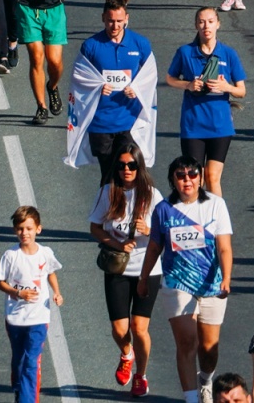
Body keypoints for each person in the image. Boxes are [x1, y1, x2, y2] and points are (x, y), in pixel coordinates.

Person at [137, 157, 236, 403]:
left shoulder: (216, 205)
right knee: (186, 342)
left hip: (211, 285)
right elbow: (154, 247)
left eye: (192, 174)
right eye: (181, 175)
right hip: (177, 283)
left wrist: (226, 278)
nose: (187, 180)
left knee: (209, 348)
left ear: (200, 177)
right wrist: (143, 277)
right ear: (173, 180)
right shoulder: (163, 209)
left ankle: (205, 379)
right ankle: (192, 399)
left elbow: (224, 247)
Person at [89, 145, 159, 396]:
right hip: (118, 267)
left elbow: (166, 233)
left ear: (140, 166)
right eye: (121, 165)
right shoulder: (108, 192)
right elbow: (95, 228)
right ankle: (126, 354)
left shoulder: (152, 195)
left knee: (140, 327)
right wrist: (118, 244)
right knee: (120, 329)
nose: (126, 170)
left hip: (147, 269)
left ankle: (141, 375)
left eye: (131, 165)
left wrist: (149, 230)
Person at [69, 0, 158, 176]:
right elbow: (78, 77)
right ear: (103, 18)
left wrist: (137, 88)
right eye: (110, 21)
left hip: (129, 122)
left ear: (127, 18)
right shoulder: (91, 46)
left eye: (119, 21)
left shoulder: (140, 44)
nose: (115, 26)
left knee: (129, 175)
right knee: (109, 175)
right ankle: (108, 204)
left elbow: (150, 74)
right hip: (100, 123)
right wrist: (97, 87)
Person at [167, 7, 247, 196]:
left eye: (210, 21)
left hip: (220, 125)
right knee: (195, 178)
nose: (206, 26)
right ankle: (196, 221)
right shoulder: (185, 52)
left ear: (218, 24)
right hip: (193, 125)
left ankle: (218, 222)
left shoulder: (228, 54)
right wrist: (188, 85)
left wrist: (225, 87)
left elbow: (241, 91)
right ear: (196, 25)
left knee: (212, 176)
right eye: (202, 22)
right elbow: (170, 79)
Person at [0, 206, 64, 403]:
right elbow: (0, 283)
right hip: (15, 318)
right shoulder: (10, 255)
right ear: (14, 231)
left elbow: (51, 273)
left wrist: (57, 293)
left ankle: (27, 399)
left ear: (38, 229)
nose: (24, 233)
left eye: (28, 228)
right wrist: (18, 293)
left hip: (39, 317)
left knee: (31, 361)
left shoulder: (45, 253)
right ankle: (19, 387)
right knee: (19, 359)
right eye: (20, 229)